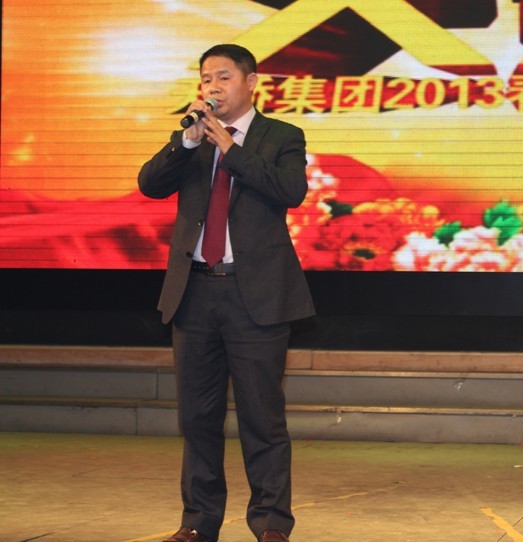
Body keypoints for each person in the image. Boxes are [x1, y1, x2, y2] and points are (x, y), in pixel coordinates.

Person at [138, 43, 315, 542]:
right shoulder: (191, 139)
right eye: (206, 79)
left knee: (262, 417)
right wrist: (188, 142)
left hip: (254, 295)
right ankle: (198, 522)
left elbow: (291, 191)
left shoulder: (281, 135)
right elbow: (149, 184)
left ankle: (271, 523)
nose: (212, 87)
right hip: (194, 292)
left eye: (223, 77)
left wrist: (230, 151)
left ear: (250, 82)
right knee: (197, 417)